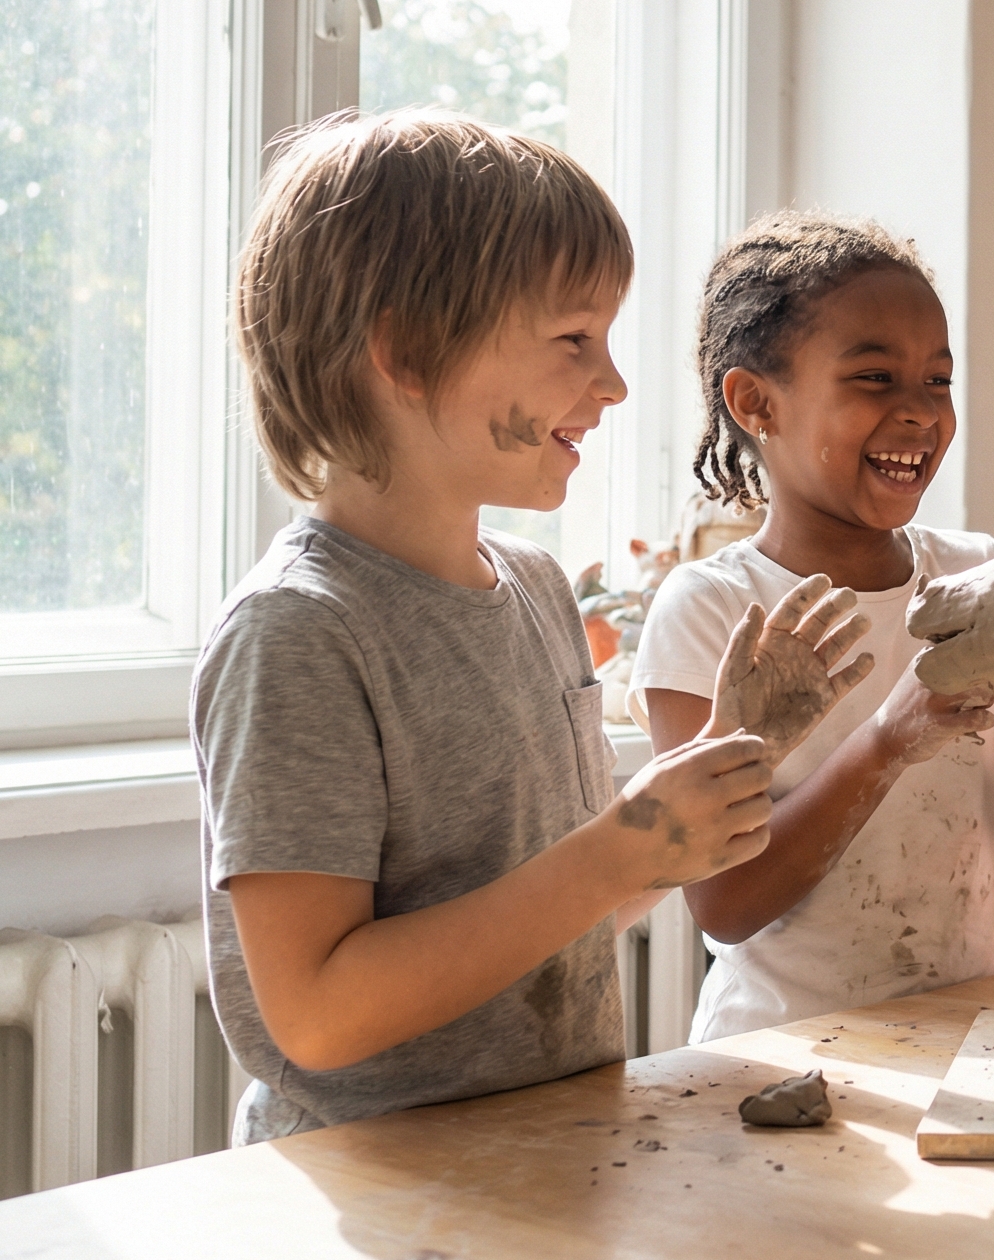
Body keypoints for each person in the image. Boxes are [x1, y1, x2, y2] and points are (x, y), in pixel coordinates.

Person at [197, 111, 867, 1141]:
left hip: (550, 1156)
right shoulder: (297, 635)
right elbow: (318, 1015)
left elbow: (570, 913)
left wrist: (719, 777)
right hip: (375, 1199)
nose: (613, 384)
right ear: (407, 351)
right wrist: (616, 848)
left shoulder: (542, 592)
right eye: (572, 341)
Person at [632, 211, 994, 1041]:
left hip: (969, 1042)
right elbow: (724, 904)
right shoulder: (710, 610)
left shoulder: (978, 574)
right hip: (781, 1060)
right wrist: (887, 739)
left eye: (938, 382)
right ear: (755, 402)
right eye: (874, 379)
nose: (919, 413)